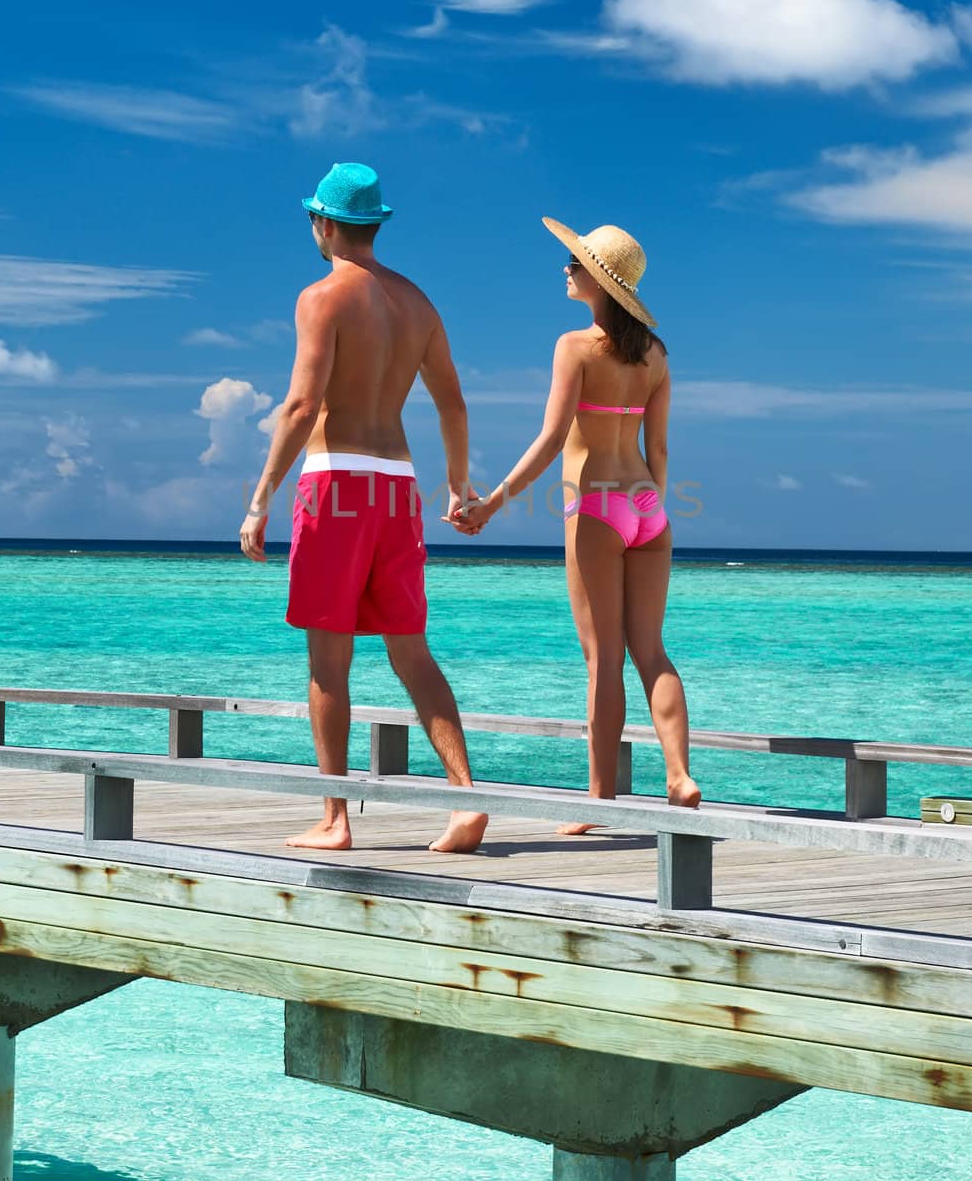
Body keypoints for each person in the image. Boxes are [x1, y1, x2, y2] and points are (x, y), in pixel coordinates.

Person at [239, 161, 488, 855]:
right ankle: (466, 800)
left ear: (322, 224)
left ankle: (336, 817)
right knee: (411, 650)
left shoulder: (322, 297)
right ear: (374, 223)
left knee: (329, 657)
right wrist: (456, 487)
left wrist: (260, 499)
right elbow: (453, 403)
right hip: (397, 486)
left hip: (337, 481)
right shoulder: (418, 303)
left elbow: (300, 404)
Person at [453, 217, 699, 832]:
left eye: (575, 263)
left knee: (601, 661)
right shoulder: (657, 356)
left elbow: (550, 439)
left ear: (598, 281)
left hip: (595, 506)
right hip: (647, 506)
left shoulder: (574, 347)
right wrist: (652, 506)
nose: (565, 269)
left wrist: (492, 504)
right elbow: (661, 449)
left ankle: (598, 803)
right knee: (651, 651)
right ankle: (678, 775)